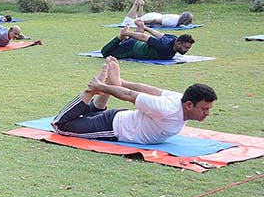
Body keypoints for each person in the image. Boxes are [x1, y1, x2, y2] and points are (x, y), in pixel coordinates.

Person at [51, 56, 216, 144]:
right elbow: (130, 95)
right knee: (61, 126)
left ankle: (100, 102)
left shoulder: (178, 98)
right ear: (189, 105)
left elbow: (152, 90)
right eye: (204, 109)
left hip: (121, 119)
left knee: (84, 118)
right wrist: (100, 86)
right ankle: (92, 90)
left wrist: (122, 83)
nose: (207, 113)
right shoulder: (167, 109)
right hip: (113, 128)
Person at [101, 22, 193, 60]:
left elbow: (159, 34)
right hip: (132, 48)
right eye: (186, 47)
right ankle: (121, 37)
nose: (186, 50)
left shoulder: (174, 38)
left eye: (188, 48)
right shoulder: (163, 45)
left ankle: (130, 35)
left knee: (134, 38)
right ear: (178, 43)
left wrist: (146, 28)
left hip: (138, 44)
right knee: (105, 53)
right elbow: (144, 37)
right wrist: (127, 33)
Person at [121, 0, 193, 28]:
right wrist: (140, 22)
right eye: (189, 21)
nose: (190, 23)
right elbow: (154, 21)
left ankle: (141, 5)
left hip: (156, 15)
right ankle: (136, 4)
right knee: (127, 22)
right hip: (154, 17)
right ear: (184, 20)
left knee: (141, 17)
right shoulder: (172, 22)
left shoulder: (177, 18)